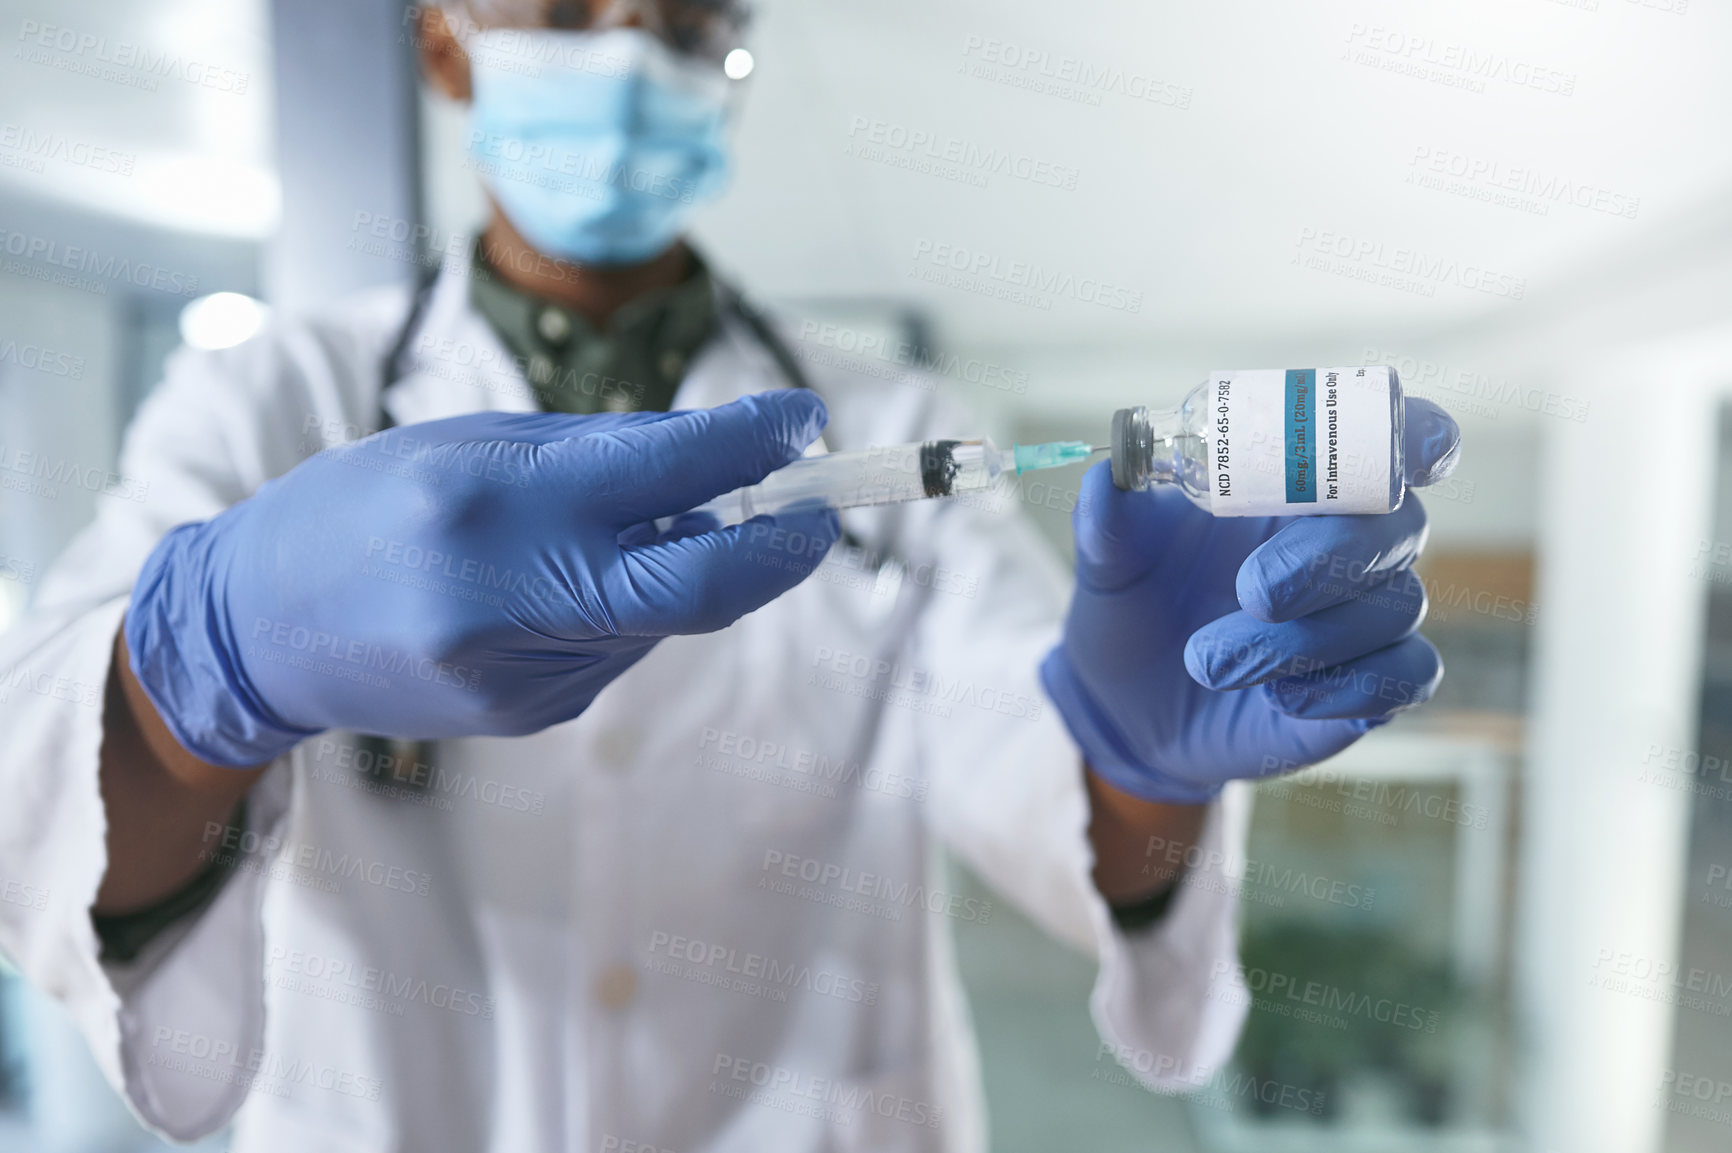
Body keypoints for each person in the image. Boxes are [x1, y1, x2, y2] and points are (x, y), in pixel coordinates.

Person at [0, 2, 1461, 1149]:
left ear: (731, 61)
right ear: (447, 43)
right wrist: (207, 663)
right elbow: (39, 812)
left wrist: (1143, 763)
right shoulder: (269, 401)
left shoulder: (899, 425)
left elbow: (1046, 787)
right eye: (565, 8)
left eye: (681, 14)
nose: (629, 45)